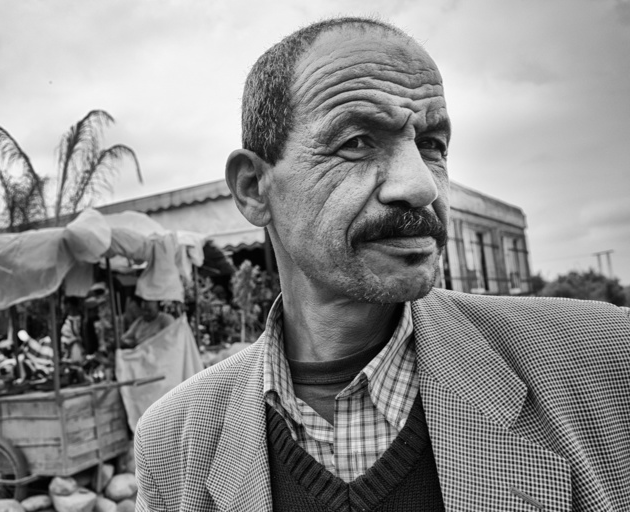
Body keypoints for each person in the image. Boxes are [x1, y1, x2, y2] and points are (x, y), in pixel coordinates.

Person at [134, 17, 630, 511]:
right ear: (253, 188)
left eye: (432, 145)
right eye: (356, 142)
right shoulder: (174, 443)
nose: (420, 186)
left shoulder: (607, 360)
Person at [60, 296, 84, 362]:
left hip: (75, 348)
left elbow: (77, 334)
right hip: (66, 349)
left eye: (66, 304)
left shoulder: (80, 319)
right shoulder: (65, 318)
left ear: (70, 304)